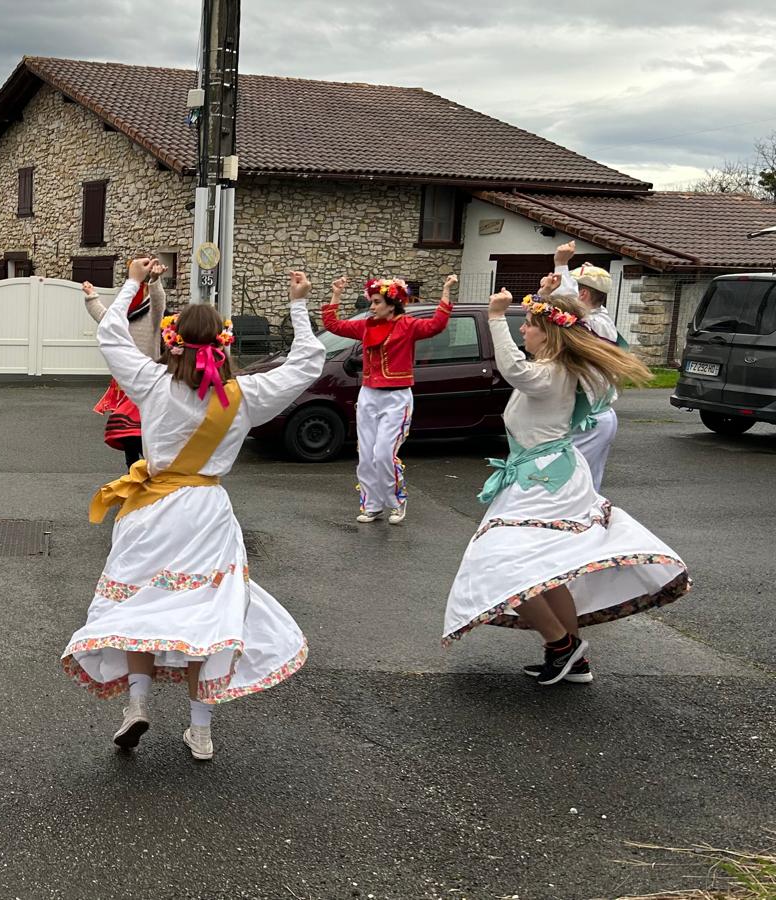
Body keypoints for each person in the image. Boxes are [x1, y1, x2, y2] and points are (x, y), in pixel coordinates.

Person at [62, 261, 325, 761]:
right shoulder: (244, 396)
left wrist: (133, 282)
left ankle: (137, 704)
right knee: (208, 614)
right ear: (225, 344)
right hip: (207, 513)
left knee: (138, 604)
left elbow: (111, 334)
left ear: (173, 339)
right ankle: (200, 732)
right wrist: (298, 305)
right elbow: (307, 362)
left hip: (151, 510)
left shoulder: (152, 382)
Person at [441, 281, 690, 685]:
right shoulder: (553, 369)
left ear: (548, 332)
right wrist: (550, 285)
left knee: (501, 564)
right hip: (538, 475)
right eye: (522, 324)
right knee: (544, 566)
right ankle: (572, 656)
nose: (524, 329)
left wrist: (497, 317)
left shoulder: (551, 372)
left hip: (546, 480)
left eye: (529, 324)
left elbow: (514, 370)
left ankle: (562, 646)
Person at [321, 274, 455, 524]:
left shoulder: (408, 325)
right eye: (371, 302)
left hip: (396, 397)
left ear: (391, 305)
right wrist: (336, 293)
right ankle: (372, 505)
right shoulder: (366, 326)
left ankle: (396, 501)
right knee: (366, 456)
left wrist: (446, 290)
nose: (371, 307)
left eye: (376, 302)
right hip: (368, 395)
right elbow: (333, 325)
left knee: (383, 453)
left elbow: (437, 325)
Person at [550, 242, 622, 489]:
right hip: (596, 414)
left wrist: (561, 263)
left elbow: (562, 306)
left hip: (589, 417)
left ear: (582, 295)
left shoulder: (591, 323)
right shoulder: (601, 318)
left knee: (573, 481)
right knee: (587, 480)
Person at [82, 259, 168, 469]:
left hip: (147, 380)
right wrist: (91, 295)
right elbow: (104, 316)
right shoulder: (121, 315)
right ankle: (134, 471)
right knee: (127, 434)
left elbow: (159, 302)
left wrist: (155, 281)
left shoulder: (152, 314)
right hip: (126, 383)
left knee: (145, 431)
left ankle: (151, 469)